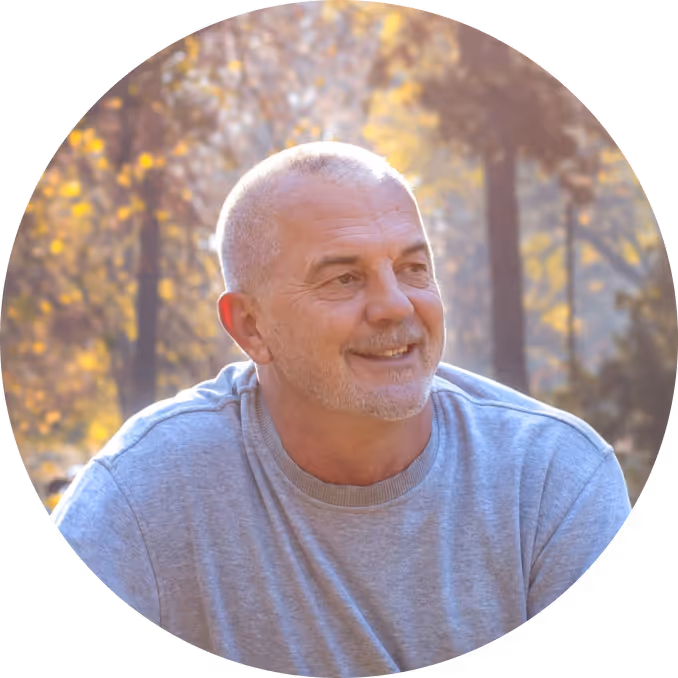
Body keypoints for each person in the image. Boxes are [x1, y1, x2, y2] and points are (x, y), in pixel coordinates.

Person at [51, 142, 632, 674]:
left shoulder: (554, 478)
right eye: (344, 279)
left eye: (412, 269)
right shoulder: (146, 489)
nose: (395, 305)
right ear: (250, 326)